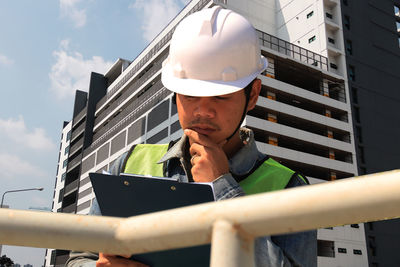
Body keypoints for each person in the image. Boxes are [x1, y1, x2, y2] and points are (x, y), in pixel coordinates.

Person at [66, 6, 316, 267]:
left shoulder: (288, 187)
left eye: (220, 96)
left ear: (252, 95)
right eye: (190, 95)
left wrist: (222, 189)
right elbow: (80, 257)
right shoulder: (129, 163)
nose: (203, 111)